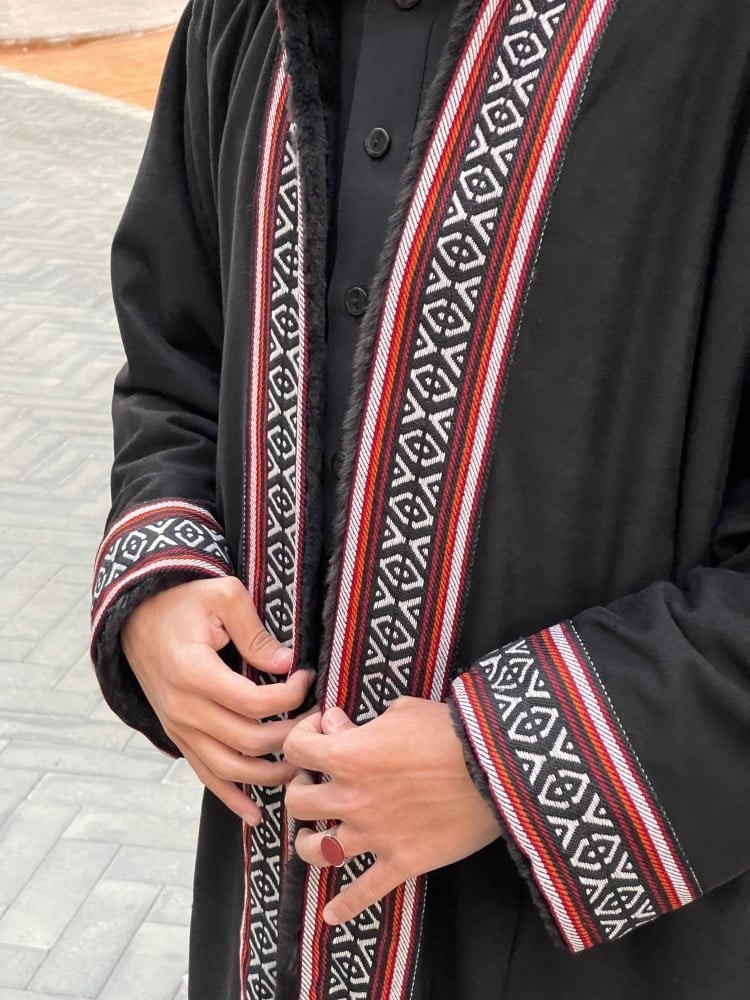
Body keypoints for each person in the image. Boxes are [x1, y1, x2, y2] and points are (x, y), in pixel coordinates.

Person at [90, 0, 750, 997]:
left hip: (597, 949)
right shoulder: (244, 17)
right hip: (267, 917)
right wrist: (161, 578)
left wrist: (517, 762)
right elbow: (174, 353)